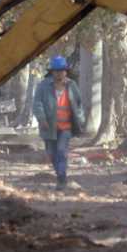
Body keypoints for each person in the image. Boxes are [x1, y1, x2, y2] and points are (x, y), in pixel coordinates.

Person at [32, 55, 85, 190]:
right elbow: (37, 103)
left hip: (66, 127)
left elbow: (79, 105)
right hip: (49, 127)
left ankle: (62, 178)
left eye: (62, 70)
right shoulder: (43, 86)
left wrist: (80, 120)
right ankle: (59, 174)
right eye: (56, 71)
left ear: (66, 71)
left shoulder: (72, 85)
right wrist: (42, 118)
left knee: (61, 151)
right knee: (51, 153)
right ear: (52, 72)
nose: (59, 73)